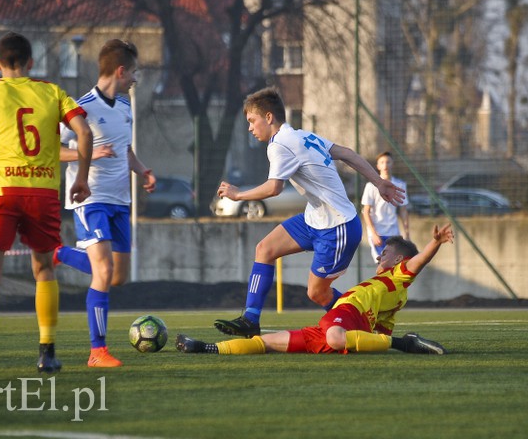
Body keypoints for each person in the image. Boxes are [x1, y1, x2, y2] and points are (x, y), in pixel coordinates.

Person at [213, 87, 406, 338]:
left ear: (269, 117)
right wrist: (378, 182)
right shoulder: (304, 136)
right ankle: (250, 319)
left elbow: (274, 188)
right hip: (315, 219)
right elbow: (347, 153)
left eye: (252, 120)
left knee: (317, 293)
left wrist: (238, 195)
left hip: (338, 227)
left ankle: (362, 322)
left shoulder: (279, 144)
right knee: (265, 249)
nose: (250, 128)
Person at [0, 32, 92, 378]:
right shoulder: (53, 92)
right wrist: (81, 178)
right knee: (44, 270)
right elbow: (85, 133)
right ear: (31, 63)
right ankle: (47, 352)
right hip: (42, 193)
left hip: (1, 192)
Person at [179, 223, 454, 355]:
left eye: (385, 253)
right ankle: (205, 348)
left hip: (347, 315)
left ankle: (406, 343)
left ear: (398, 261)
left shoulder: (397, 277)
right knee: (268, 342)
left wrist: (435, 243)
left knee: (336, 338)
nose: (379, 257)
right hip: (339, 322)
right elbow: (379, 332)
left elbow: (417, 263)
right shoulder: (390, 295)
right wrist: (378, 340)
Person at [54, 39, 156, 368]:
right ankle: (97, 351)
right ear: (120, 71)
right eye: (133, 73)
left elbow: (125, 150)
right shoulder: (80, 108)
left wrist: (143, 172)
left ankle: (58, 252)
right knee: (103, 270)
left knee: (117, 276)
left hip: (120, 201)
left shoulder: (125, 108)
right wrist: (89, 153)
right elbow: (53, 151)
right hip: (91, 198)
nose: (135, 80)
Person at [362, 151, 410, 262]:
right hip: (378, 233)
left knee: (396, 265)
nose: (385, 165)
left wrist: (407, 234)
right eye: (382, 162)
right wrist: (373, 234)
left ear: (392, 164)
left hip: (394, 233)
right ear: (378, 166)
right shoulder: (371, 186)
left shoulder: (400, 185)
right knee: (383, 264)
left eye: (388, 162)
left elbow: (403, 210)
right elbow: (366, 212)